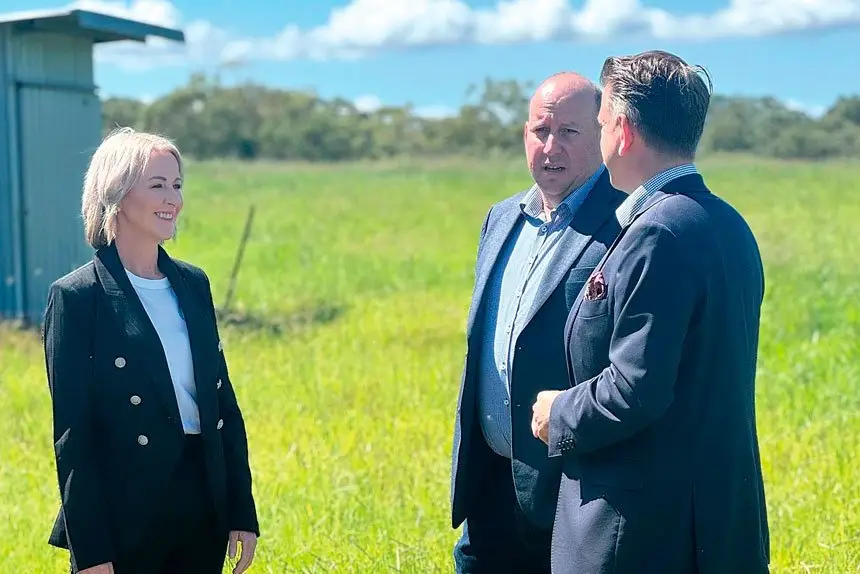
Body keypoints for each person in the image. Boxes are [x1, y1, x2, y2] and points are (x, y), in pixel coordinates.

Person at [530, 50, 770, 573]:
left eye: (598, 124)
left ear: (623, 130)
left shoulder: (656, 232)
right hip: (717, 520)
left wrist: (558, 411)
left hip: (641, 532)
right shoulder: (726, 223)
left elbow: (635, 388)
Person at [42, 128, 260, 574]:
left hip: (203, 503)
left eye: (177, 185)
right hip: (126, 512)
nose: (173, 199)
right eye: (157, 185)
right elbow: (73, 436)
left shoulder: (193, 283)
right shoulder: (78, 297)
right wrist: (92, 550)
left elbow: (222, 404)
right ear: (116, 194)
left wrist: (242, 509)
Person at [449, 72, 627, 573]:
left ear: (604, 135)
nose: (551, 146)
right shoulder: (502, 217)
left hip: (574, 489)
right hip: (491, 481)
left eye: (569, 132)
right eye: (540, 131)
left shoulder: (626, 222)